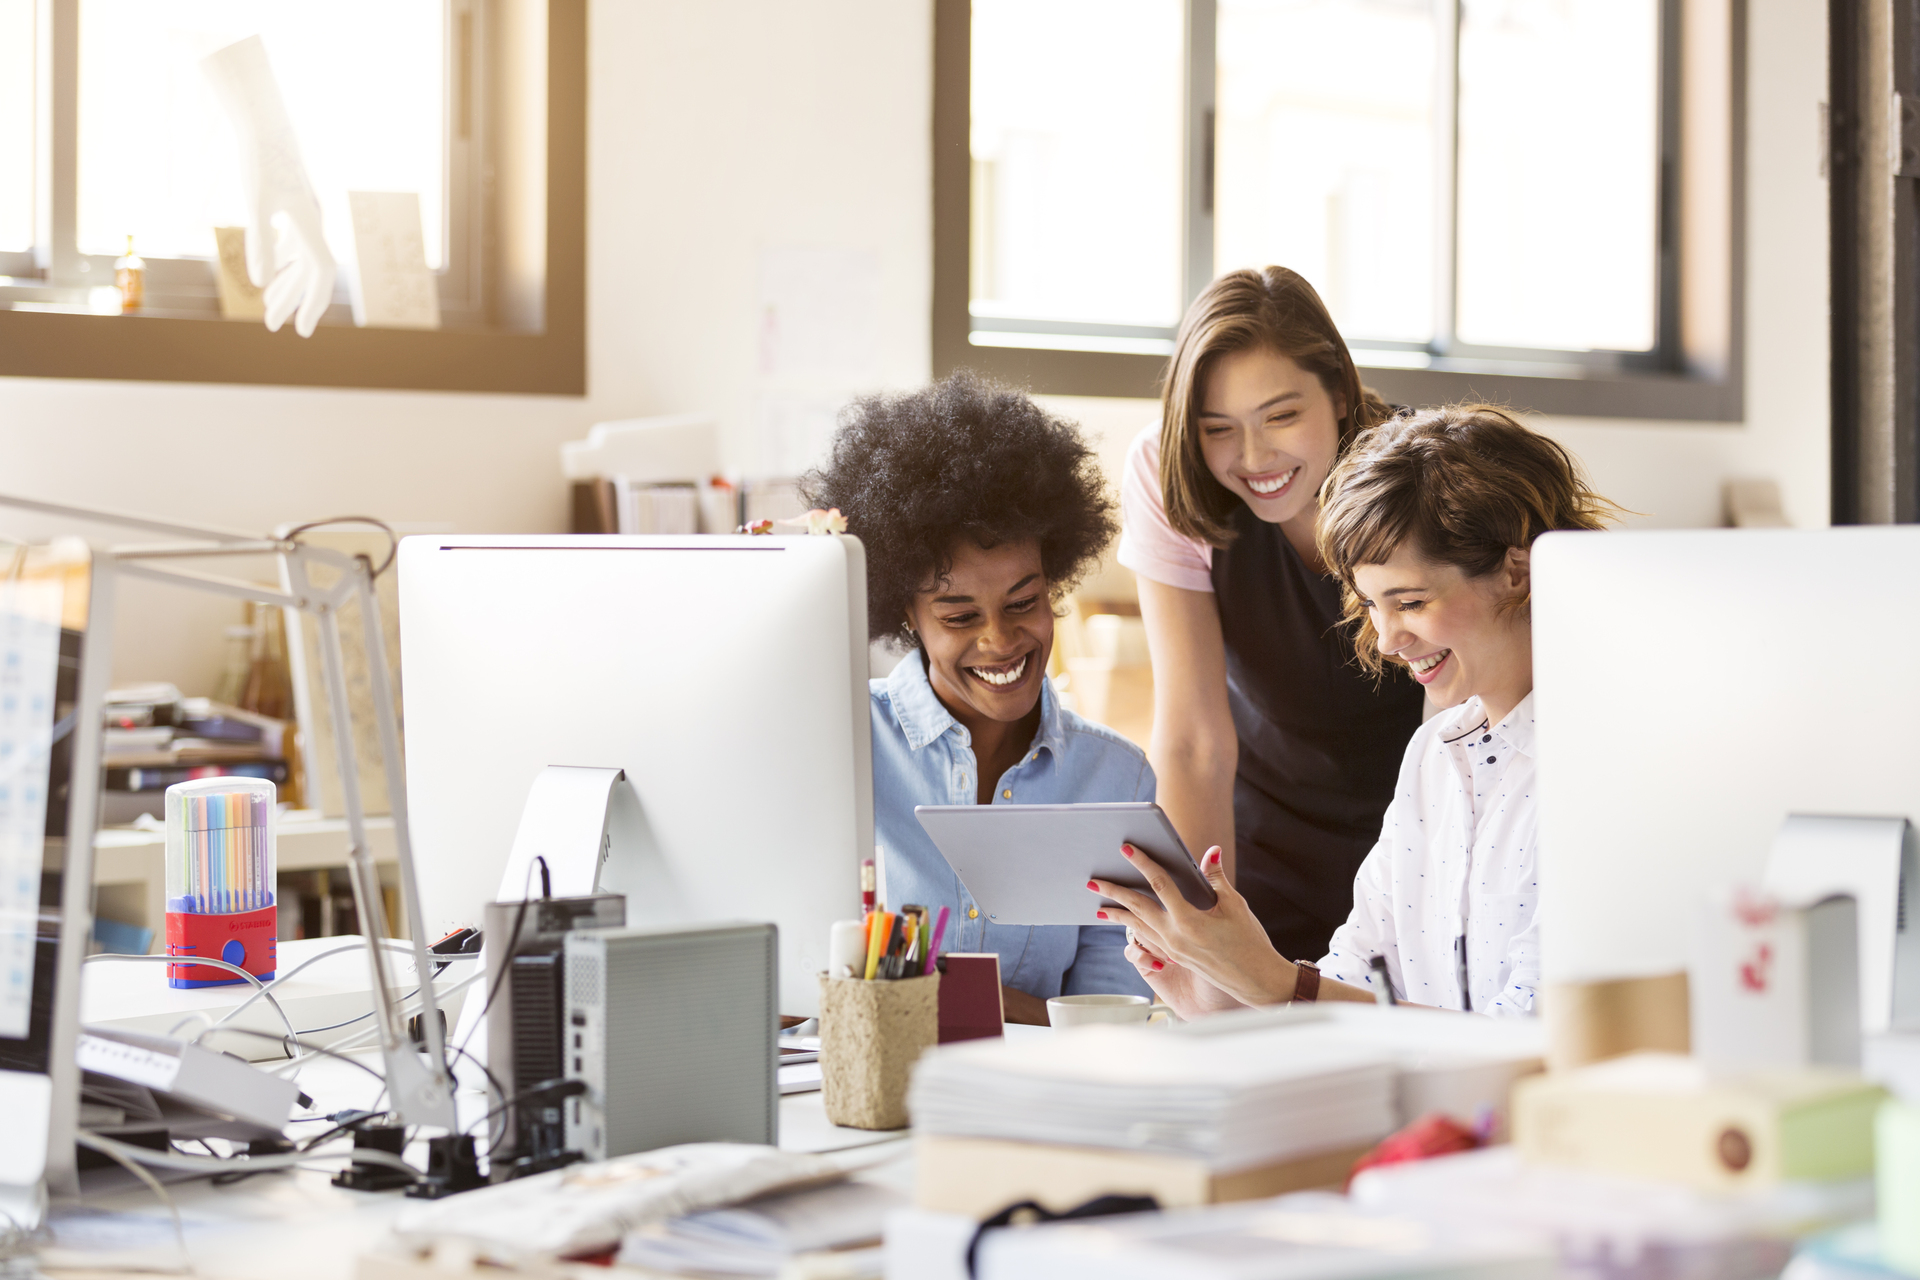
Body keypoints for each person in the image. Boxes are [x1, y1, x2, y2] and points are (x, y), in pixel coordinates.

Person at [1092, 405, 1619, 1017]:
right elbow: (1361, 974)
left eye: (1412, 601)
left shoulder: (1604, 762)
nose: (1390, 640)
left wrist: (1278, 985)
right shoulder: (1434, 756)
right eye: (1372, 604)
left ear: (1517, 571)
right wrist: (1228, 999)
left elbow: (1534, 1040)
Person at [803, 372, 1154, 1024]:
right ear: (907, 615)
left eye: (1024, 602)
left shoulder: (1114, 778)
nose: (999, 640)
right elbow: (800, 979)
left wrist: (951, 1001)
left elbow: (1113, 1014)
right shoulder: (841, 744)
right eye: (959, 616)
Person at [1120, 266, 1426, 965]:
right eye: (1217, 428)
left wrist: (1419, 900)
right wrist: (1201, 932)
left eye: (1282, 416)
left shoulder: (1421, 475)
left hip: (1416, 834)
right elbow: (1194, 739)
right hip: (1263, 845)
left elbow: (1459, 723)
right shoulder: (1165, 476)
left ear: (1342, 395)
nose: (1254, 458)